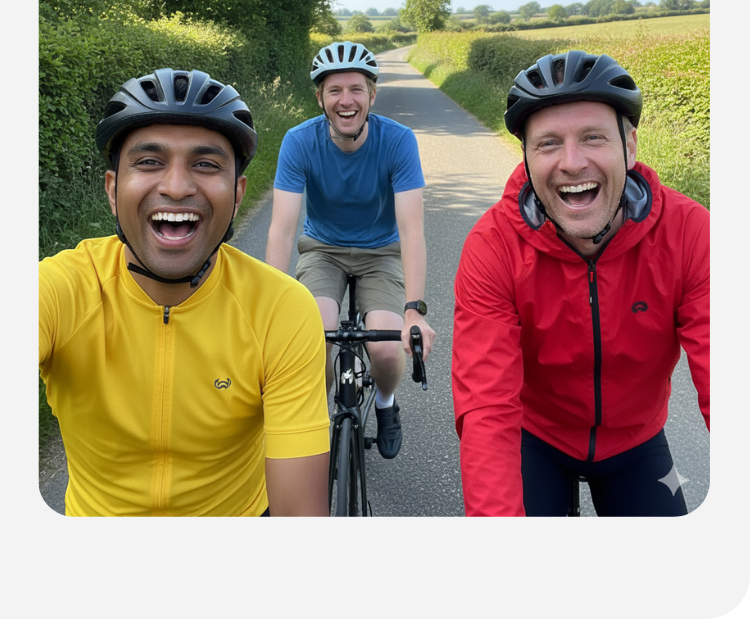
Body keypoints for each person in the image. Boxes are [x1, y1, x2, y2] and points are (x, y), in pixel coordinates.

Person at [40, 68, 328, 516]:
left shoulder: (280, 309)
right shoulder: (60, 290)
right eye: (149, 161)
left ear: (237, 195)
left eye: (206, 164)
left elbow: (299, 516)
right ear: (113, 190)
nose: (175, 186)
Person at [451, 50, 709, 516]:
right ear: (526, 158)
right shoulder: (493, 246)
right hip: (536, 437)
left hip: (637, 439)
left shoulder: (690, 233)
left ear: (630, 146)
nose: (572, 162)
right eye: (548, 143)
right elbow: (486, 408)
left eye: (593, 137)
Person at [264, 42, 434, 460]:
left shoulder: (398, 141)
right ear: (319, 97)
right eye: (334, 90)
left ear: (372, 96)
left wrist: (413, 310)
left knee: (385, 348)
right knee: (312, 340)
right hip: (322, 249)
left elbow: (412, 230)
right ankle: (310, 422)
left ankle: (385, 404)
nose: (346, 100)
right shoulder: (298, 141)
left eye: (356, 89)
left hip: (380, 252)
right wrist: (268, 304)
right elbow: (283, 229)